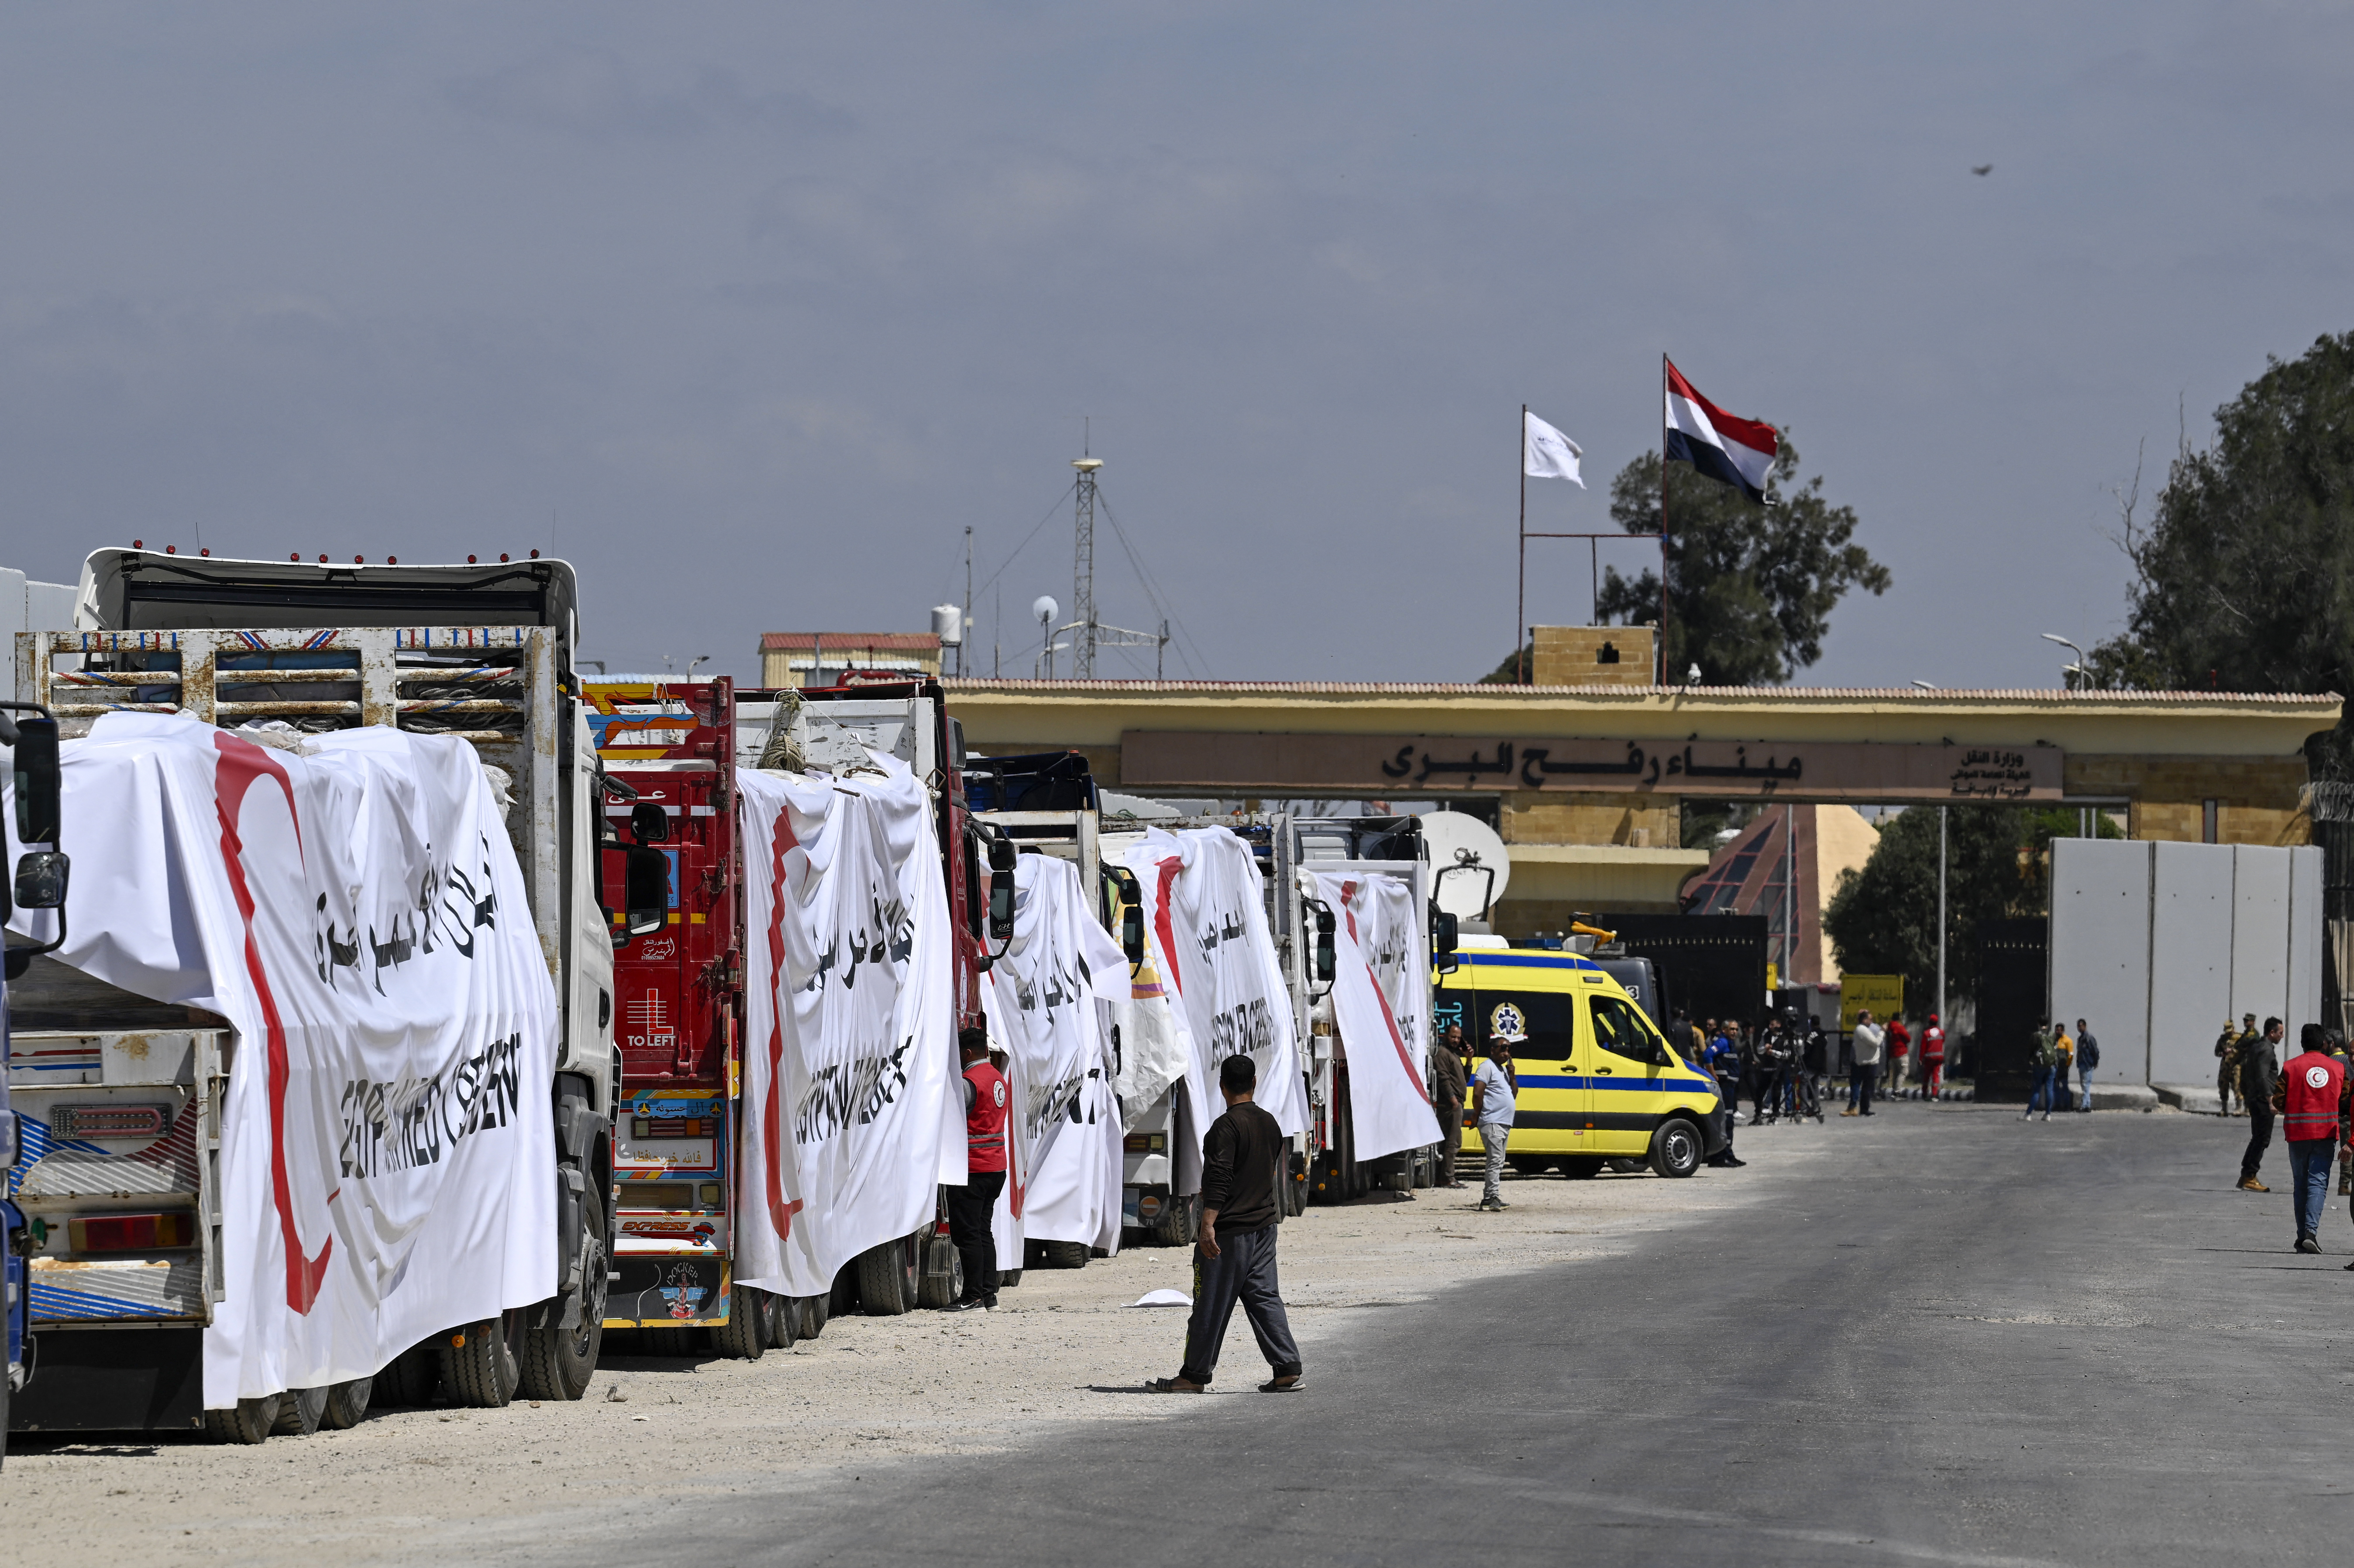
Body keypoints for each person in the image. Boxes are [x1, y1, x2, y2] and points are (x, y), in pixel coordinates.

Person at [1149, 1052, 1304, 1393]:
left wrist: (1207, 1224)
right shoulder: (1270, 1124)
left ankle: (1193, 1376)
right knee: (1264, 1297)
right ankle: (1287, 1366)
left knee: (1210, 1303)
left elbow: (1220, 1177)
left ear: (1222, 1087)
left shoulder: (1225, 1128)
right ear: (1253, 1083)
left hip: (1230, 1232)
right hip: (1265, 1228)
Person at [943, 1030, 1008, 1312]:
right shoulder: (997, 1078)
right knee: (983, 1231)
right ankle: (989, 1295)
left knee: (967, 1234)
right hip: (996, 1167)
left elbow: (952, 1117)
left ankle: (972, 1296)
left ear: (968, 1053)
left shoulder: (970, 1083)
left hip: (974, 1168)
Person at [2279, 1022, 2345, 1254]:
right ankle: (2311, 1232)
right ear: (2324, 1044)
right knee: (2318, 1181)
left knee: (2301, 1183)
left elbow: (2279, 1100)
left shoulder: (2290, 1067)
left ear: (2302, 1043)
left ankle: (2301, 1237)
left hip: (2297, 1134)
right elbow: (2344, 1097)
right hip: (2326, 1134)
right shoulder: (2337, 1069)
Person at [1472, 1031, 1520, 1211]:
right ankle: (1491, 1197)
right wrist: (1477, 1114)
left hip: (1504, 1122)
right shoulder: (1487, 1067)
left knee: (1499, 1161)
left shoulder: (1503, 1071)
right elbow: (1477, 1093)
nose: (1506, 1053)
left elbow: (1513, 1094)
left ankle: (1490, 1196)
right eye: (1503, 1048)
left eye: (1509, 1049)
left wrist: (1513, 1076)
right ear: (1493, 1050)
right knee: (1495, 1160)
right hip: (1492, 1121)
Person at [2237, 1016, 2284, 1193]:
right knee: (2263, 1138)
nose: (2282, 1036)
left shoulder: (2257, 1047)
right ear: (2272, 1033)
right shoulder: (2266, 1050)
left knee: (2258, 1137)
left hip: (2254, 1098)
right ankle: (2250, 1176)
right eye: (2280, 1033)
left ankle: (2246, 1173)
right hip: (2263, 1100)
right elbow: (2264, 1077)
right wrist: (2271, 1101)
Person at [1702, 1021, 1747, 1167]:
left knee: (1729, 1121)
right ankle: (1720, 1156)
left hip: (1731, 1087)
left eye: (1736, 1029)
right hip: (1725, 1087)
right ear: (1724, 1030)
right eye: (1731, 1029)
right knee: (1725, 1121)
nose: (1734, 1032)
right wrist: (1713, 1075)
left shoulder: (1730, 1043)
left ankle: (1728, 1153)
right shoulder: (1722, 1043)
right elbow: (1707, 1055)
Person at [1431, 1024, 1470, 1189]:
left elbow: (1465, 1079)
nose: (1456, 1040)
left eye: (1458, 1038)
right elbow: (1443, 1079)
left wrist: (1469, 1059)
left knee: (1450, 1142)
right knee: (1453, 1142)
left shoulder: (1455, 1055)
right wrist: (1453, 1100)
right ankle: (1448, 1178)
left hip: (1456, 1103)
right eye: (1453, 1036)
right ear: (1445, 1036)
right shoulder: (1442, 1054)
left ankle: (1442, 1178)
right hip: (1450, 1105)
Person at [1845, 1009, 1884, 1116]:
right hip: (1867, 1062)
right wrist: (1882, 1032)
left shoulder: (1866, 1029)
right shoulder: (1862, 1029)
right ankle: (1862, 1109)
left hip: (1867, 1061)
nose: (1871, 1022)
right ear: (1865, 1019)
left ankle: (1861, 1108)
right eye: (1870, 1019)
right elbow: (1876, 1043)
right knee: (1865, 1086)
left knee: (1865, 1086)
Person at [2074, 1017, 2099, 1113]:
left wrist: (2095, 1062)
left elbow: (2095, 1051)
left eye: (2081, 1026)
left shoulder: (2089, 1038)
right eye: (2078, 1027)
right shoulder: (2080, 1039)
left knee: (2086, 1084)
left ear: (2085, 1026)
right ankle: (2087, 1105)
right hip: (2081, 1064)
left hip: (2087, 1064)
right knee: (2084, 1085)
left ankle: (2085, 1105)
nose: (2080, 1028)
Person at [1920, 1013, 1947, 1100]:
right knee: (1936, 1075)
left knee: (1927, 1076)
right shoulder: (1942, 1033)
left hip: (1929, 1058)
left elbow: (1923, 1047)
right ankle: (1934, 1094)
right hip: (1939, 1058)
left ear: (1929, 1022)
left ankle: (1924, 1093)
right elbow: (1943, 1042)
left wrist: (1920, 1059)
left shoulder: (1927, 1033)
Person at [1886, 1014, 1912, 1096]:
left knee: (1895, 1073)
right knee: (1904, 1072)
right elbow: (1908, 1038)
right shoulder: (1899, 1028)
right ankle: (1897, 1091)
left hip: (1892, 1054)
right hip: (1901, 1053)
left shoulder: (1889, 1028)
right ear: (1899, 1019)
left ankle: (1894, 1090)